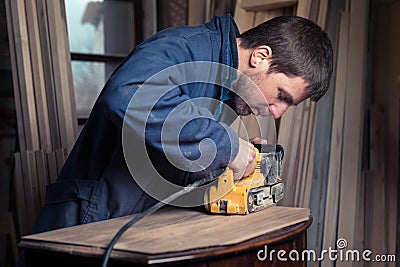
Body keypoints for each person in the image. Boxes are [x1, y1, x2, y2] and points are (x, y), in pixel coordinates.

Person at [31, 14, 333, 233]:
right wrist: (224, 144)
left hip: (134, 227)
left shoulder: (221, 91)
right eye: (282, 95)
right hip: (82, 220)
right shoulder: (185, 48)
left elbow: (170, 154)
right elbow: (127, 95)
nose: (277, 112)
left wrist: (222, 170)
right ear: (261, 57)